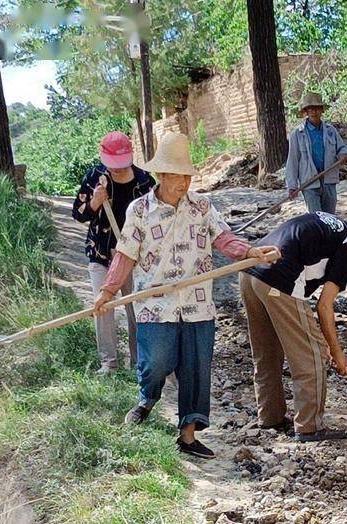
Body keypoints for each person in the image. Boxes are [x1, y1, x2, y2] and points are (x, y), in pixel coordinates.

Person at [93, 131, 278, 459]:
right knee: (156, 362)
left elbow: (224, 239)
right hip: (155, 302)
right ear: (161, 175)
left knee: (196, 367)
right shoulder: (140, 210)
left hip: (197, 305)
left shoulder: (202, 207)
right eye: (177, 175)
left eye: (188, 175)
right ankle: (148, 398)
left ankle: (187, 435)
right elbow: (125, 255)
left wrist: (250, 251)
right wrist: (108, 290)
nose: (184, 183)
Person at [238, 208, 347, 442]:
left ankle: (271, 418)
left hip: (250, 274)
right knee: (313, 356)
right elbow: (324, 306)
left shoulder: (330, 225)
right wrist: (335, 351)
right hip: (279, 281)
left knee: (266, 353)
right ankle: (309, 427)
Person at [72, 131, 155, 375]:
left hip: (132, 258)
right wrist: (96, 202)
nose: (117, 170)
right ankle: (108, 362)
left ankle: (138, 362)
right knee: (103, 307)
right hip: (101, 253)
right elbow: (78, 214)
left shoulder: (144, 182)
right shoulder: (95, 177)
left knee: (135, 309)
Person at [285, 92, 347, 214]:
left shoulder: (331, 131)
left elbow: (341, 148)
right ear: (306, 112)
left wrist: (343, 155)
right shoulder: (297, 134)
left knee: (330, 218)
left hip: (328, 180)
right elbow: (292, 160)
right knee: (317, 219)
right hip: (309, 182)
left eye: (317, 108)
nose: (314, 112)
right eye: (310, 109)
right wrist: (292, 185)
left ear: (322, 110)